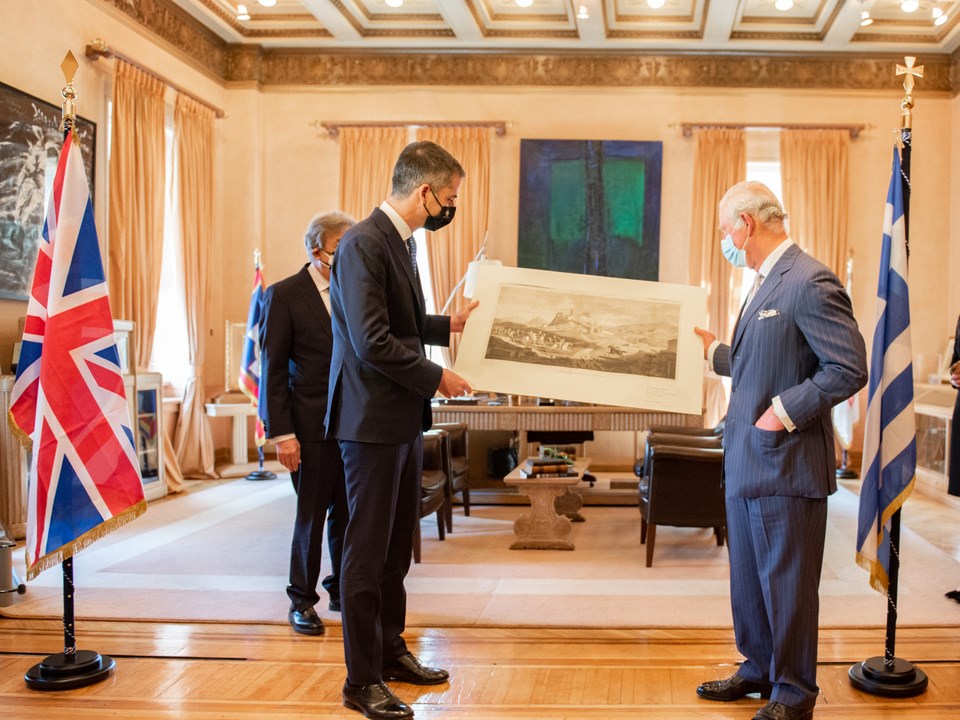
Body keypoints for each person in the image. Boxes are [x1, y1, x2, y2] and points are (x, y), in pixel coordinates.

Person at [693, 181, 868, 720]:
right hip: (747, 460)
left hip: (787, 463)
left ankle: (793, 694)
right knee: (748, 580)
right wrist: (716, 353)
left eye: (725, 231)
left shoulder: (809, 279)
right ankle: (759, 668)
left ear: (745, 225)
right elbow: (769, 358)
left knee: (787, 585)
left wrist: (783, 412)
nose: (725, 242)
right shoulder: (763, 281)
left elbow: (848, 367)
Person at [325, 141, 478, 720]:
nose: (451, 207)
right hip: (369, 423)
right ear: (425, 192)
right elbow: (372, 341)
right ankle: (360, 679)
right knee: (365, 554)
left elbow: (402, 321)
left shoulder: (401, 242)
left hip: (401, 419)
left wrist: (447, 325)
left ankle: (390, 650)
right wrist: (438, 376)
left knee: (395, 551)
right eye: (451, 197)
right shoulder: (363, 242)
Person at [259, 211, 355, 636]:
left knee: (347, 514)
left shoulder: (355, 289)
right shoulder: (284, 294)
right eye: (341, 249)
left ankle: (340, 588)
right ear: (318, 251)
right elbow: (273, 370)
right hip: (308, 428)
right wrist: (283, 435)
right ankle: (301, 600)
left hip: (352, 426)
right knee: (311, 517)